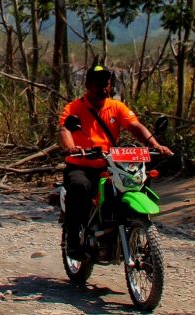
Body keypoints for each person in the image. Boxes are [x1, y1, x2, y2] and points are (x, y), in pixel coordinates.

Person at [58, 65, 173, 259]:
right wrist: (72, 147)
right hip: (82, 165)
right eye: (98, 84)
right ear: (87, 85)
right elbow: (64, 130)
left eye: (106, 84)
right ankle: (72, 242)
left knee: (136, 185)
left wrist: (155, 144)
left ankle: (129, 228)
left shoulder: (116, 107)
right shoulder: (74, 108)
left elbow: (135, 126)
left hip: (110, 165)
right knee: (79, 187)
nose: (103, 88)